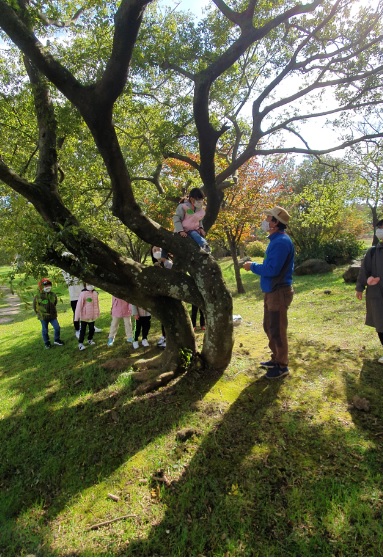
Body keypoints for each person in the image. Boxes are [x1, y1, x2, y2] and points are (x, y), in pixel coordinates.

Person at [243, 206, 294, 379]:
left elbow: (272, 269)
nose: (265, 220)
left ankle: (282, 366)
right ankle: (276, 358)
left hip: (278, 292)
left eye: (268, 218)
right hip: (272, 291)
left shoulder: (280, 242)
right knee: (269, 326)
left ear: (276, 223)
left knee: (277, 329)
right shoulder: (276, 240)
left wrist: (252, 266)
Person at [356, 219, 383, 363]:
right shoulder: (373, 251)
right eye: (380, 227)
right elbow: (364, 270)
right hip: (376, 294)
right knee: (380, 324)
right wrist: (361, 286)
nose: (381, 230)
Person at [62, 270, 102, 337]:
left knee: (89, 310)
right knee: (76, 313)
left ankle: (91, 327)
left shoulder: (78, 269)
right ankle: (77, 330)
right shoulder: (66, 271)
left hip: (84, 294)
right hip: (74, 297)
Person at [173, 187, 211, 253]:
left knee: (196, 235)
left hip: (194, 229)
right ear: (192, 199)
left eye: (201, 200)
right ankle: (204, 245)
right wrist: (180, 231)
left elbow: (199, 220)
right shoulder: (183, 207)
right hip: (184, 230)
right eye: (198, 200)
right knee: (194, 234)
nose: (200, 202)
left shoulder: (198, 208)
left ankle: (204, 248)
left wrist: (201, 228)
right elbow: (177, 219)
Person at [33, 278, 65, 349]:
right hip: (43, 317)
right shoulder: (38, 296)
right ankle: (47, 343)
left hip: (52, 316)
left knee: (57, 328)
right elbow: (35, 307)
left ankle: (57, 339)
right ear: (41, 287)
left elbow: (55, 302)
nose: (47, 287)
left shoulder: (53, 294)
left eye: (49, 285)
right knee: (45, 330)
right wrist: (40, 314)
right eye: (45, 286)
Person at [74, 283, 100, 350]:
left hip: (92, 316)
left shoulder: (95, 293)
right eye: (88, 284)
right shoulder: (83, 294)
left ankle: (90, 339)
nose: (90, 285)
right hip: (84, 317)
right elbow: (79, 305)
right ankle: (80, 343)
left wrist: (97, 313)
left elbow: (97, 304)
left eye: (91, 284)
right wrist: (76, 317)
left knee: (92, 329)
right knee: (83, 330)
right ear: (85, 285)